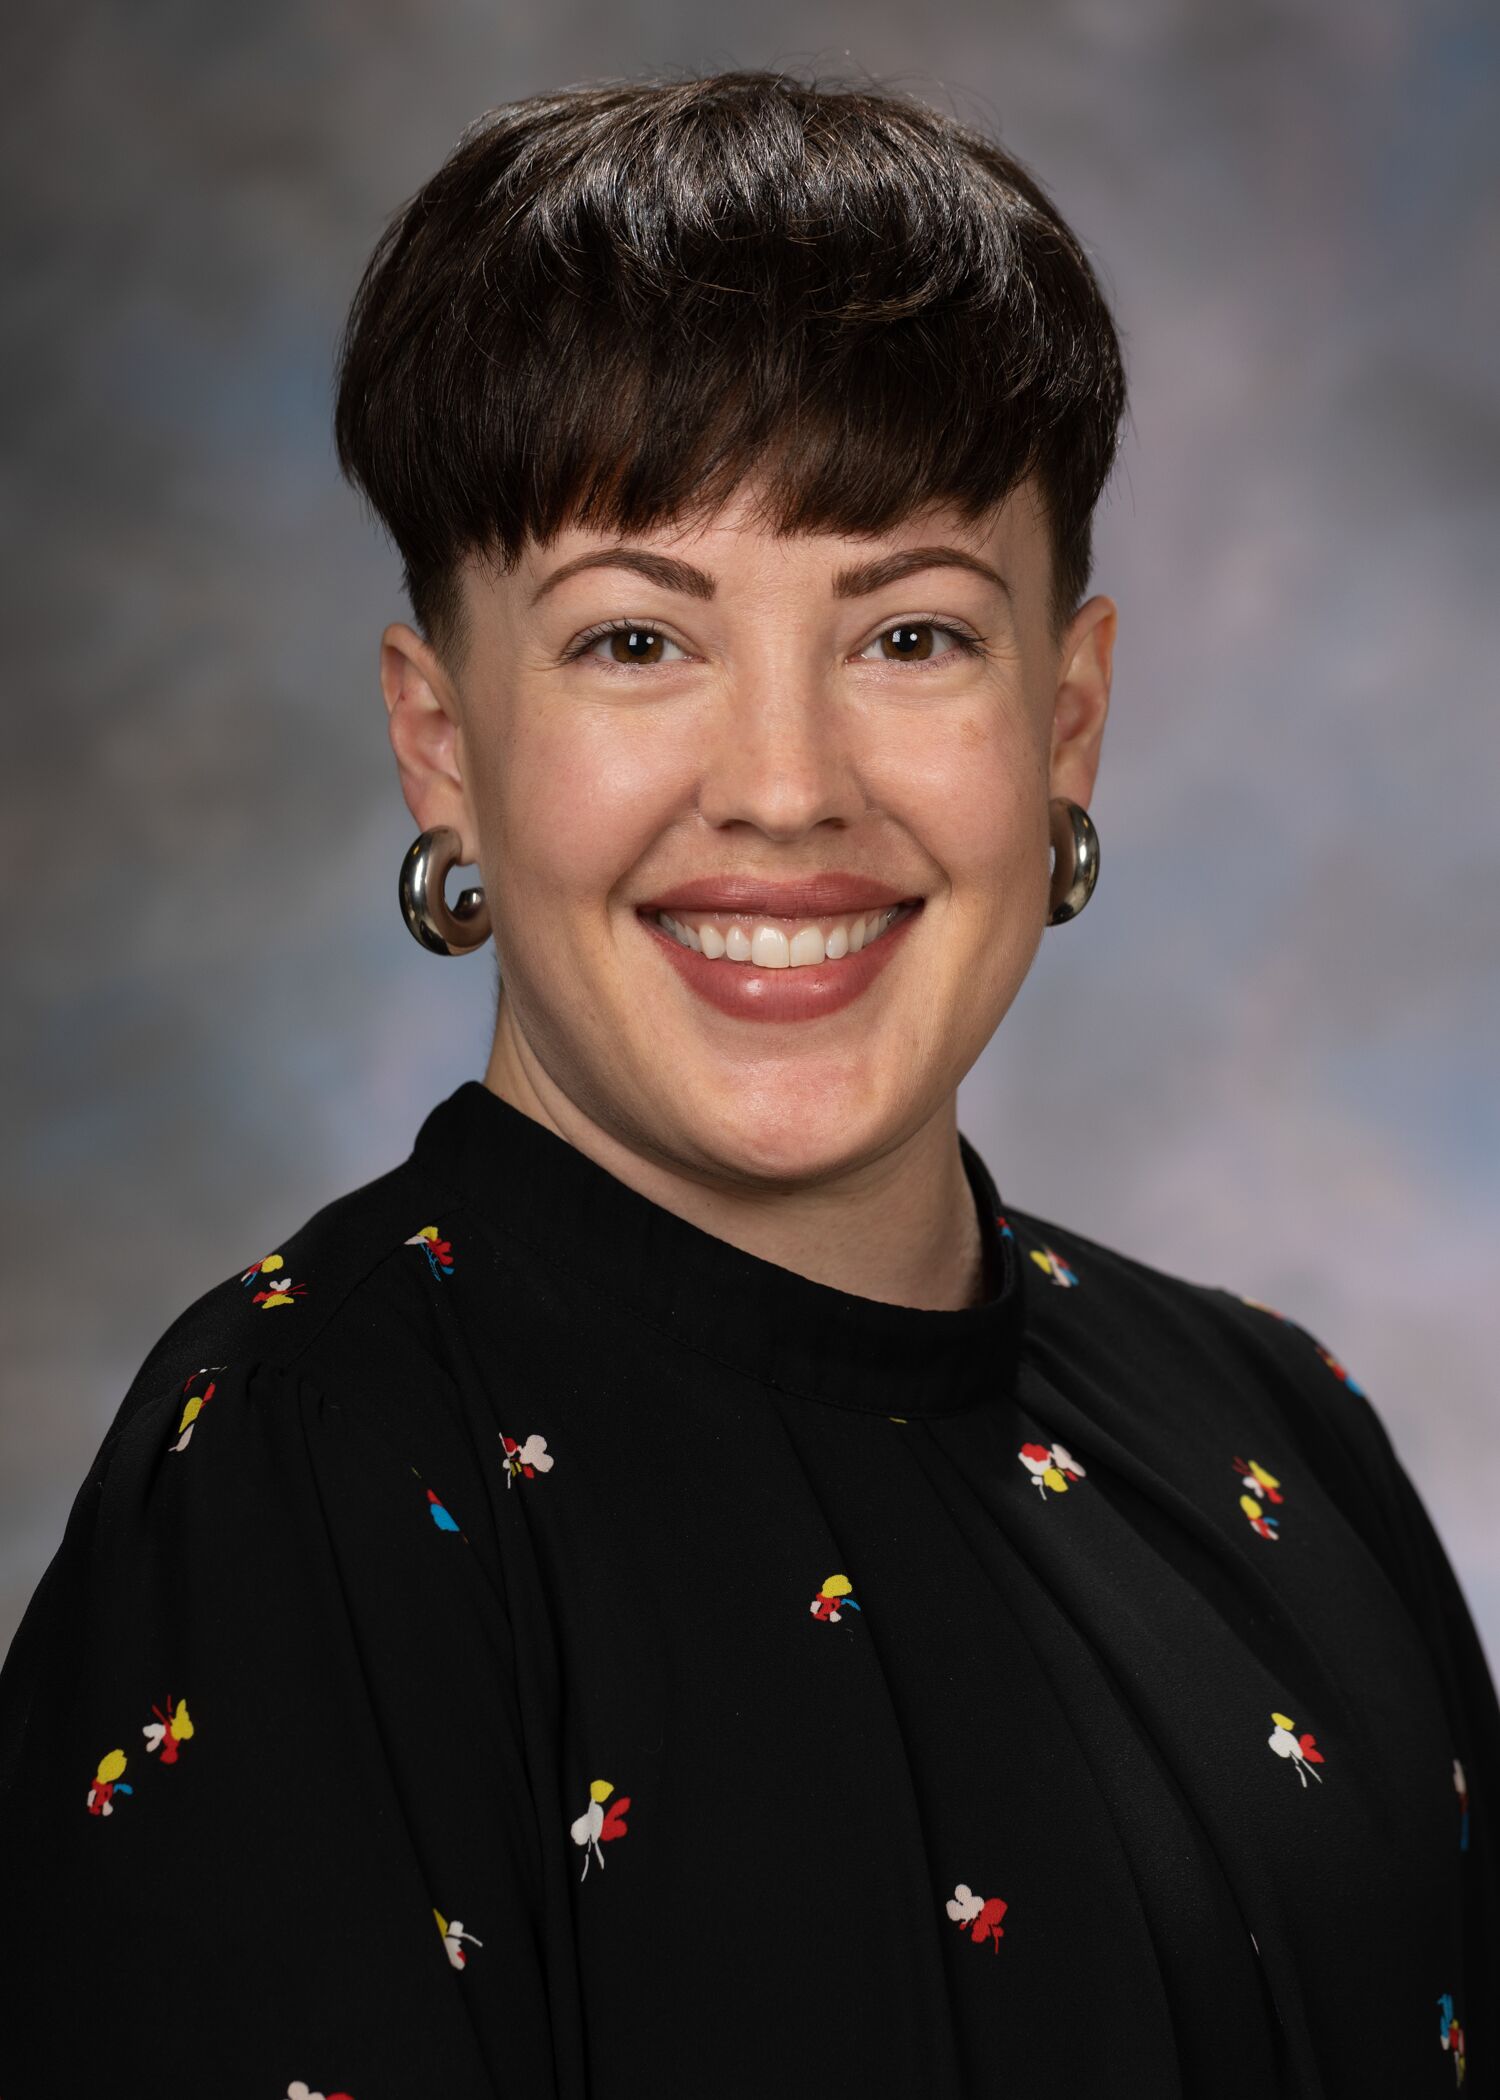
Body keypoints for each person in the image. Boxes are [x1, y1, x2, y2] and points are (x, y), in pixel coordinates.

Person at [1, 71, 1495, 2100]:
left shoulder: (1281, 1432)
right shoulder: (296, 1481)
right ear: (441, 739)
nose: (786, 788)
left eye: (907, 633)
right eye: (634, 638)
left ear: (1068, 717)